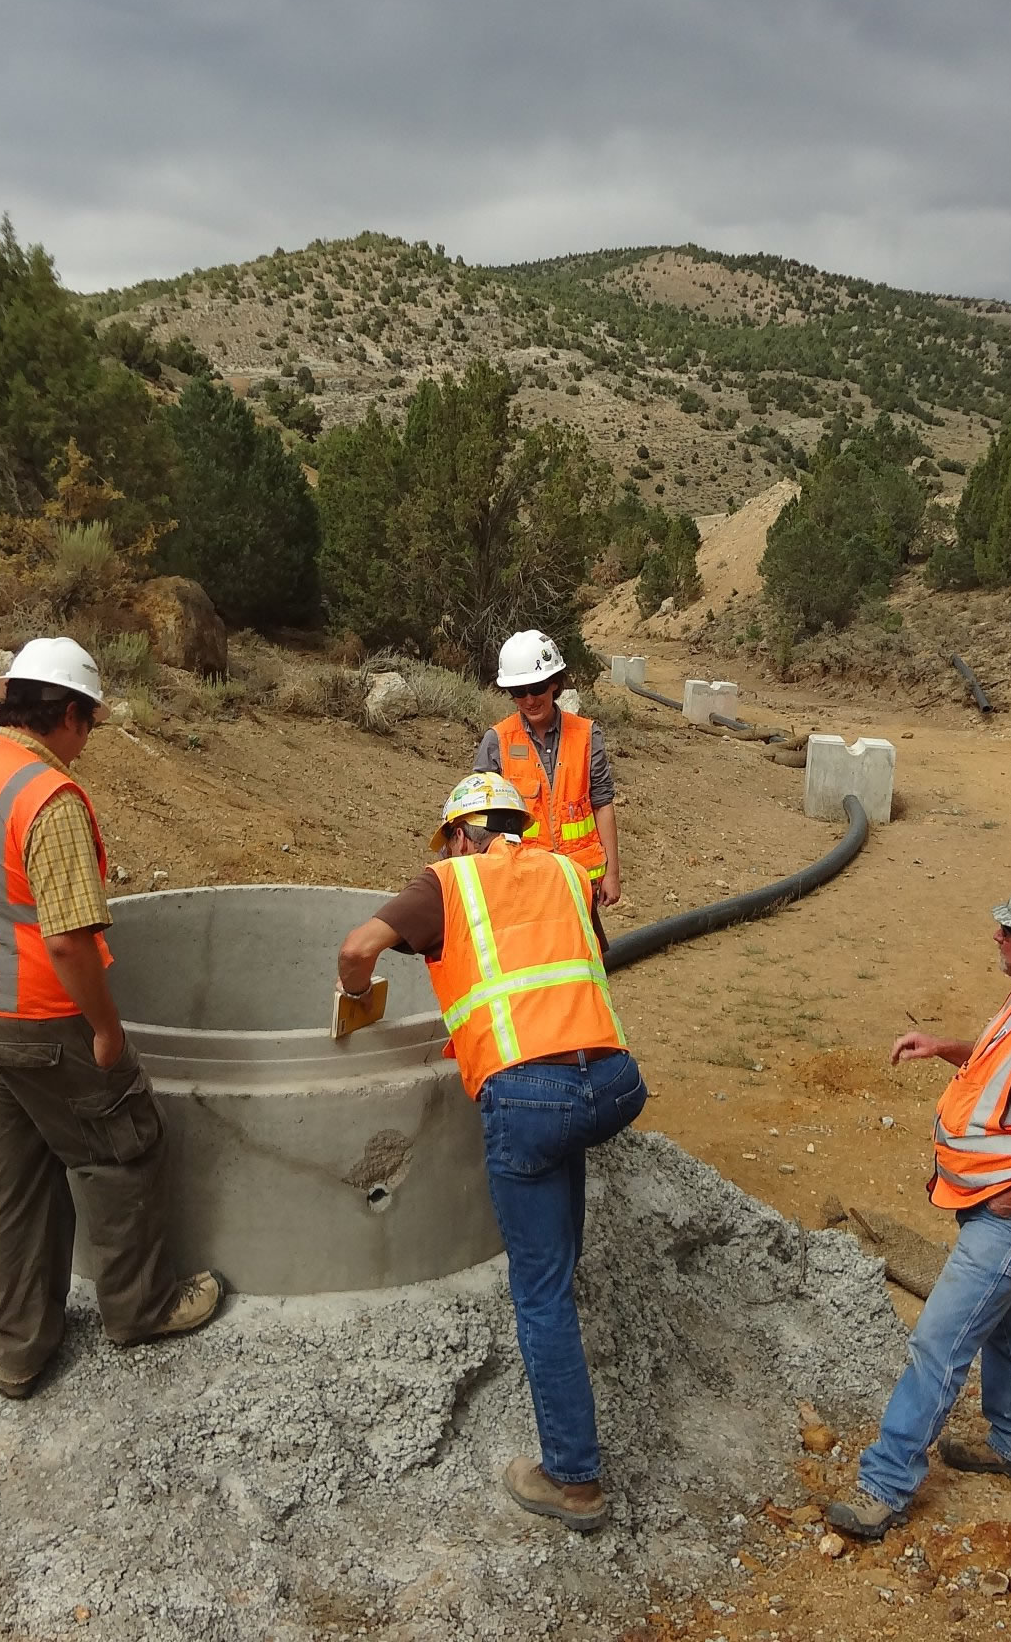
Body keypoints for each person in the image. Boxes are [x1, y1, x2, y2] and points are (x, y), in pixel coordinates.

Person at [0, 638, 221, 1399]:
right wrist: (105, 1030)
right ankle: (142, 1308)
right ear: (64, 715)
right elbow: (65, 938)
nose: (86, 740)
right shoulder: (46, 798)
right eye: (87, 723)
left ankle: (20, 1353)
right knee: (121, 1148)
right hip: (39, 1021)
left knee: (8, 1179)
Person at [336, 773, 646, 1532]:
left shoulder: (447, 881)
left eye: (448, 840)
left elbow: (357, 947)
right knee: (557, 1198)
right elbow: (561, 970)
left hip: (530, 1101)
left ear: (459, 835)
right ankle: (563, 1268)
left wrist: (357, 994)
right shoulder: (568, 872)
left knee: (539, 1294)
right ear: (516, 824)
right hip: (611, 1085)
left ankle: (572, 1480)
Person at [828, 875, 1011, 1541]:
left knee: (940, 1339)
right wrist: (943, 1048)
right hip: (997, 1202)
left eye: (1009, 929)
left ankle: (885, 1485)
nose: (997, 935)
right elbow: (996, 1066)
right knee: (1009, 1318)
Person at [475, 629, 620, 908]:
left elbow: (602, 804)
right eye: (519, 692)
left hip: (578, 880)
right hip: (523, 882)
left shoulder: (587, 735)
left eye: (537, 688)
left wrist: (612, 874)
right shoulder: (497, 740)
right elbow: (480, 818)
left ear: (554, 683)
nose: (530, 699)